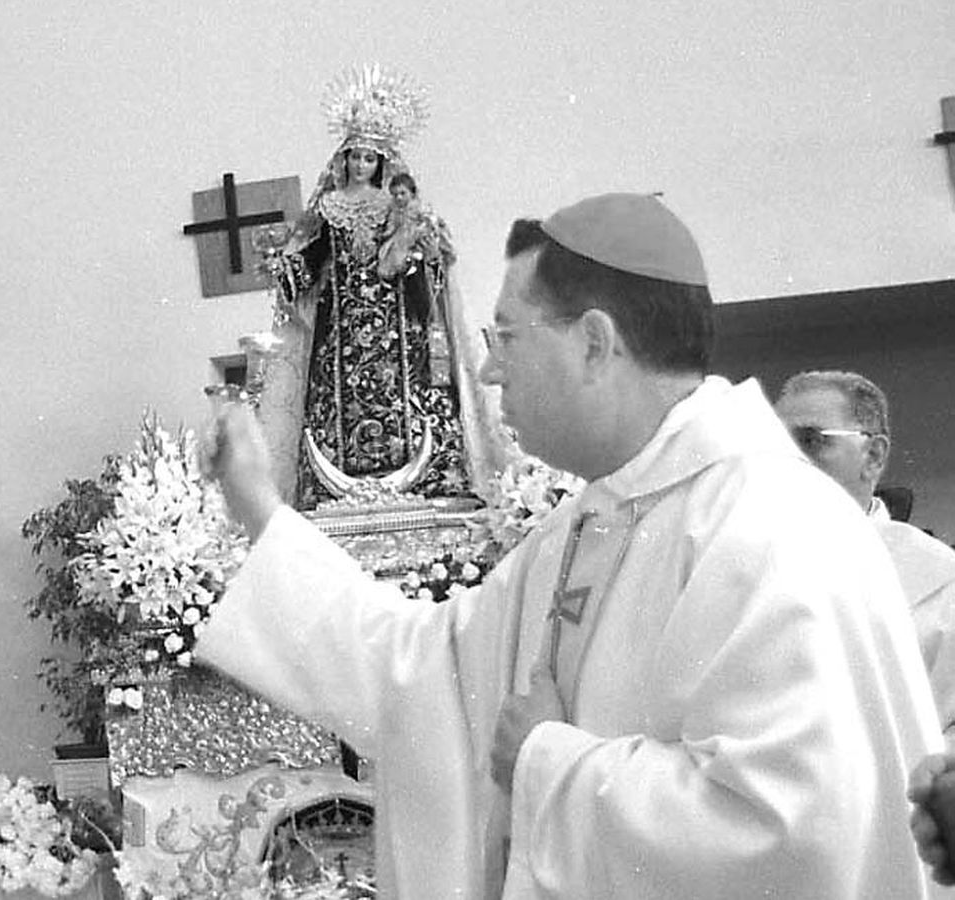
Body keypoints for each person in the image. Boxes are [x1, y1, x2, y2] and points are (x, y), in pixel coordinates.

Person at [199, 192, 940, 898]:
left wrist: (545, 760)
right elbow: (420, 673)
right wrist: (260, 509)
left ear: (594, 342)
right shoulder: (587, 524)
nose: (487, 369)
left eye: (506, 336)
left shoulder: (771, 526)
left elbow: (790, 835)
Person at [257, 66, 501, 507]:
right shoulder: (328, 210)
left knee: (412, 390)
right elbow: (311, 262)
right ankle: (335, 481)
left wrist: (428, 254)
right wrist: (284, 267)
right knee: (335, 397)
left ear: (382, 165)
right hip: (342, 330)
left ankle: (430, 478)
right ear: (343, 160)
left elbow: (432, 264)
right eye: (355, 157)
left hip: (399, 325)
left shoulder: (400, 207)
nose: (362, 165)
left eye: (370, 158)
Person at [776, 370, 955, 744]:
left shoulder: (940, 583)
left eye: (810, 441)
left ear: (873, 456)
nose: (786, 458)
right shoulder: (728, 565)